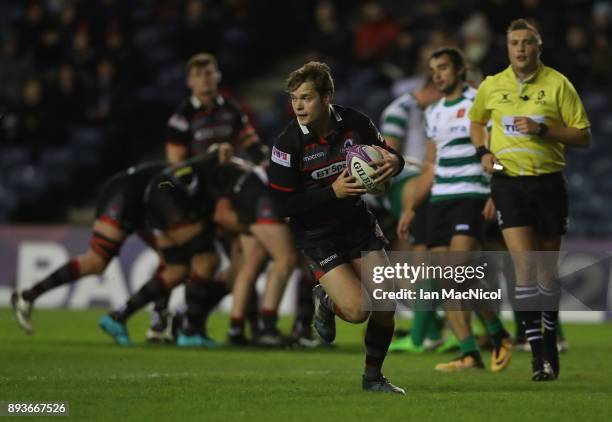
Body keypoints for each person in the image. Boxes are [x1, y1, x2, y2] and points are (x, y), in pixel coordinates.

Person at [269, 61, 406, 394]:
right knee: (358, 311)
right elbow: (280, 207)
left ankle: (373, 378)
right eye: (294, 99)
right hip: (318, 237)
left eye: (306, 98)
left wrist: (395, 163)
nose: (298, 106)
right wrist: (332, 192)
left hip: (357, 225)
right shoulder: (287, 145)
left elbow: (389, 156)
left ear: (327, 96)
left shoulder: (356, 123)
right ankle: (326, 300)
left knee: (386, 299)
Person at [468, 19, 591, 381]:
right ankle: (538, 358)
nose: (520, 49)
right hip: (509, 183)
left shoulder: (558, 84)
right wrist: (482, 151)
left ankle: (550, 345)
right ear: (507, 48)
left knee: (546, 274)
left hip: (549, 183)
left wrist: (543, 129)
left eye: (527, 43)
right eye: (514, 43)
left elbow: (582, 136)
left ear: (538, 47)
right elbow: (477, 121)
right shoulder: (492, 85)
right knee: (523, 269)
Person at [397, 47, 513, 372]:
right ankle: (469, 353)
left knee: (458, 272)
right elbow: (431, 164)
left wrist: (497, 193)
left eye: (444, 67)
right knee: (444, 278)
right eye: (434, 69)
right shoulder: (432, 112)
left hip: (471, 196)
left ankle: (496, 332)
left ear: (460, 69)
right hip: (438, 201)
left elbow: (498, 150)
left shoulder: (480, 102)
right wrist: (410, 206)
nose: (438, 74)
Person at [99, 145, 233, 347]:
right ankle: (190, 332)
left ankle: (117, 317)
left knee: (177, 269)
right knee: (207, 260)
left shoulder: (202, 165)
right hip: (170, 201)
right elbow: (220, 215)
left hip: (155, 199)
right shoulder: (226, 172)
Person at [11, 161, 166, 335]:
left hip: (142, 204)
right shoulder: (186, 180)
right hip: (124, 195)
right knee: (96, 261)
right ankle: (27, 296)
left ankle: (158, 326)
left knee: (172, 262)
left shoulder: (187, 176)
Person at [165, 52, 267, 165]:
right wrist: (211, 157)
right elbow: (177, 165)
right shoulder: (180, 119)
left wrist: (263, 163)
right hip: (198, 179)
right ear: (189, 81)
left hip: (232, 175)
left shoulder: (233, 108)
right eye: (198, 74)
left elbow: (251, 144)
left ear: (218, 76)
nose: (204, 78)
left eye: (208, 73)